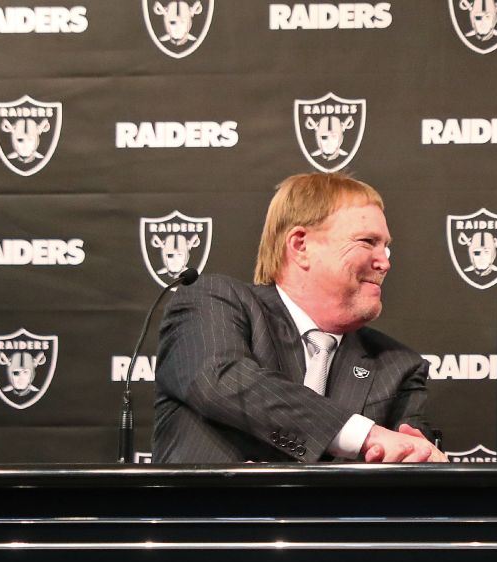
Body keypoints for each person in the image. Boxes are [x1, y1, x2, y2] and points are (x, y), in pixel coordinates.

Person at [153, 172, 446, 463]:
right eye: (368, 241)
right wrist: (364, 434)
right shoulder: (210, 299)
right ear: (300, 245)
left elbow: (407, 463)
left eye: (386, 246)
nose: (385, 262)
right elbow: (221, 380)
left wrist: (423, 462)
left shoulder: (399, 366)